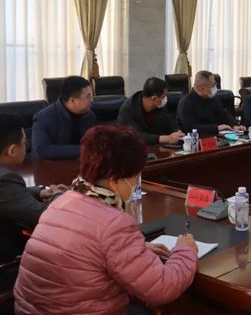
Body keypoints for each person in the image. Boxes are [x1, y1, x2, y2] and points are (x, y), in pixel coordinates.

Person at [14, 125, 198, 314]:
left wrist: (135, 250)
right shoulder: (114, 224)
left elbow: (87, 251)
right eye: (135, 179)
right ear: (114, 180)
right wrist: (185, 251)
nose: (135, 185)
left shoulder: (62, 201)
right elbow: (161, 288)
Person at [0, 115, 66, 287]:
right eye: (24, 142)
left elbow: (9, 195)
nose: (27, 145)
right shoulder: (4, 180)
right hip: (7, 260)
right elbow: (45, 217)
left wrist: (40, 192)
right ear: (12, 150)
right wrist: (58, 195)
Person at [31, 76, 96, 159]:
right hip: (52, 165)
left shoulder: (89, 116)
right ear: (73, 101)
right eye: (88, 96)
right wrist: (82, 149)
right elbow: (42, 150)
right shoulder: (43, 118)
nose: (91, 100)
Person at [118, 77, 184, 145]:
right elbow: (135, 136)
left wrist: (177, 132)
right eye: (164, 97)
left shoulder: (159, 105)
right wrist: (166, 139)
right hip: (135, 147)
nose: (166, 99)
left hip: (157, 147)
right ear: (154, 99)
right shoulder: (128, 108)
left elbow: (167, 124)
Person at [177, 71, 245, 134]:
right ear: (204, 89)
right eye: (213, 85)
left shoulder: (211, 98)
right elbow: (191, 128)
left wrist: (235, 125)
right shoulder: (186, 103)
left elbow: (224, 114)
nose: (215, 87)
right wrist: (217, 128)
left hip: (218, 137)